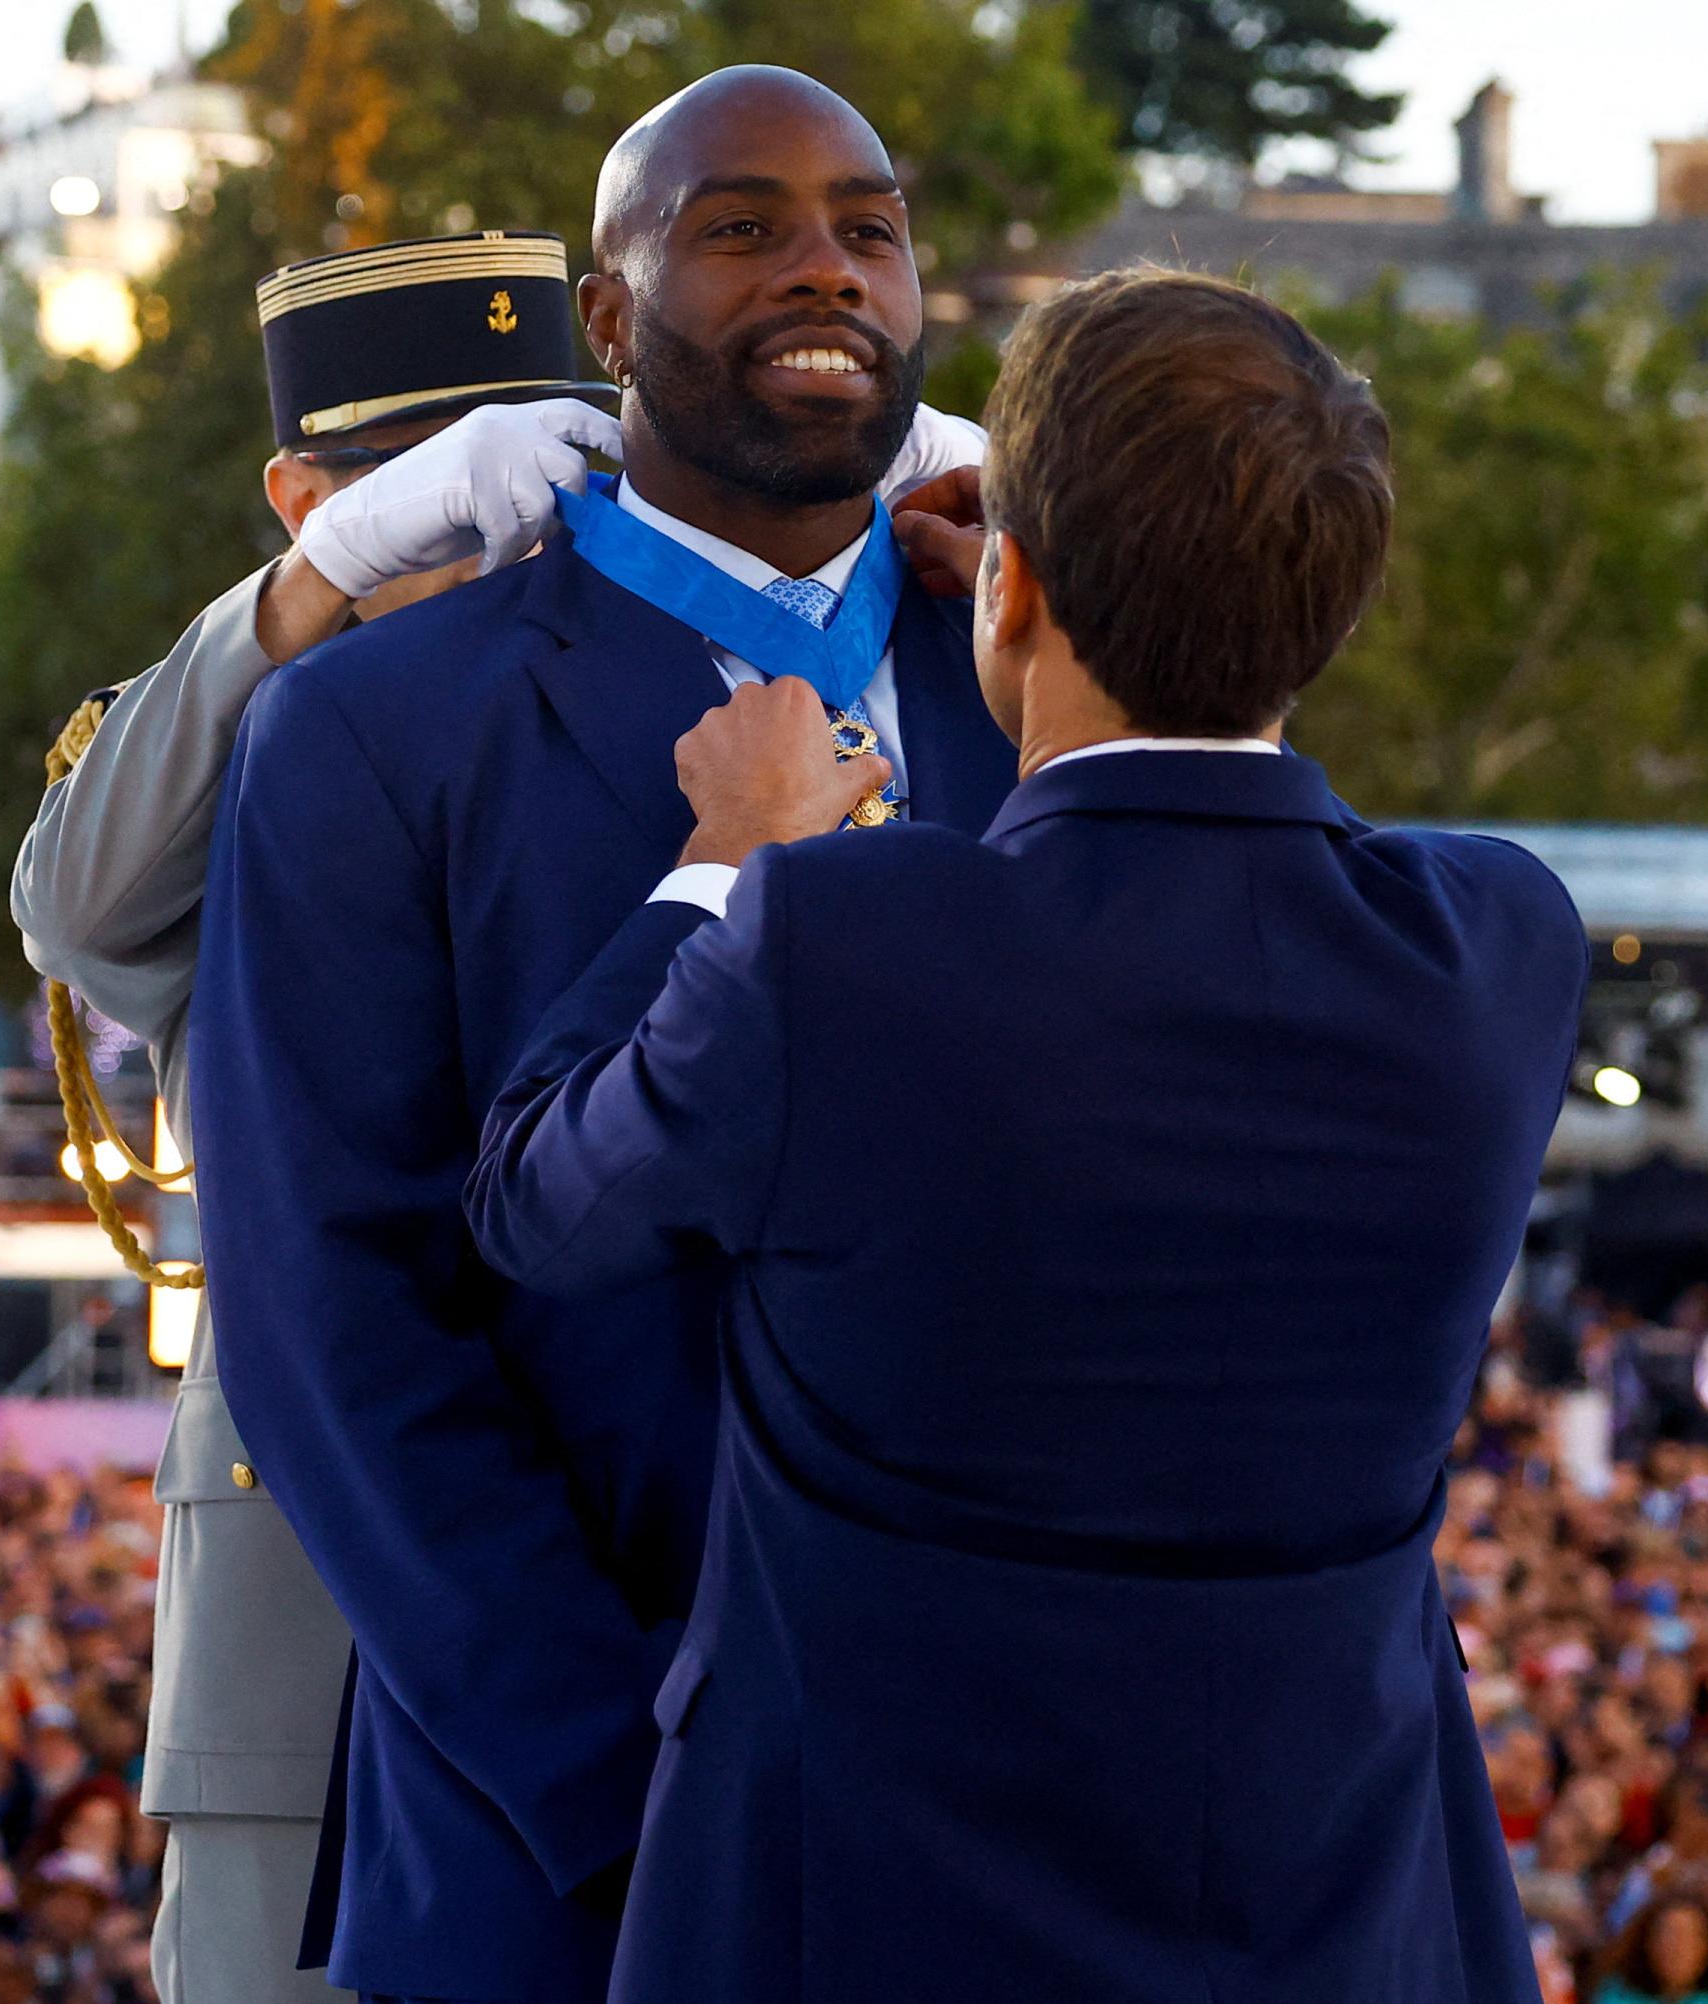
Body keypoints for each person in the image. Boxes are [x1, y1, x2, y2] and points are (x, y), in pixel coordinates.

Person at [466, 267, 1584, 1998]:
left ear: (1016, 584)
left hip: (870, 1919)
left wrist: (728, 852)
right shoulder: (1499, 948)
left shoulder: (839, 942)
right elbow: (1270, 824)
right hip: (1341, 1921)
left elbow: (538, 1194)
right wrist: (1193, 578)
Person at [9, 224, 978, 2004]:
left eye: (554, 474)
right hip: (327, 1629)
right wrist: (306, 594)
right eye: (437, 500)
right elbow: (76, 898)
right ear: (315, 494)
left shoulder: (700, 724)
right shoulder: (274, 751)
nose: (509, 535)